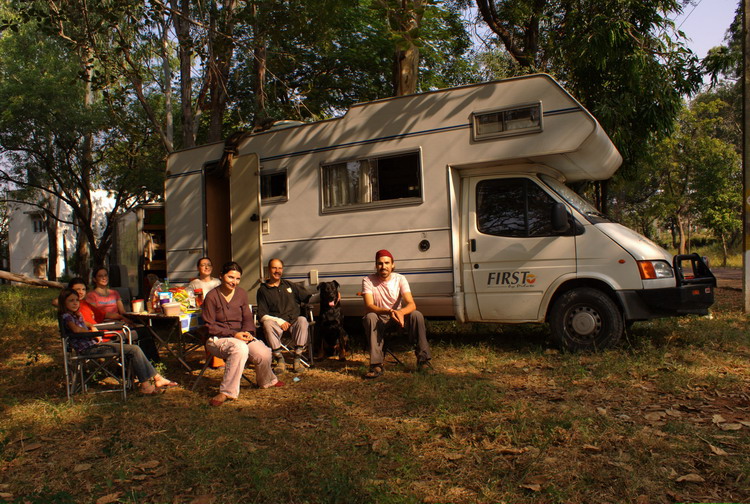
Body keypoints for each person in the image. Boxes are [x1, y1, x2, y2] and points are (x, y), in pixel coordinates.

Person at [58, 288, 178, 395]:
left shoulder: (75, 315)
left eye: (76, 300)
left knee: (134, 348)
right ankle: (147, 385)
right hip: (88, 350)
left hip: (94, 346)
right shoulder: (66, 316)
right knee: (133, 349)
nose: (75, 303)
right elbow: (76, 329)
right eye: (71, 301)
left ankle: (156, 378)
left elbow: (83, 324)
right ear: (64, 303)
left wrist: (91, 326)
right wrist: (95, 334)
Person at [202, 261, 282, 407]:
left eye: (237, 279)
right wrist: (234, 334)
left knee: (263, 352)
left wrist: (248, 332)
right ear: (221, 276)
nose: (234, 282)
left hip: (239, 336)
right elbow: (209, 326)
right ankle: (227, 392)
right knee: (240, 348)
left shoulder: (241, 294)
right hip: (217, 339)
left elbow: (247, 317)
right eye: (230, 277)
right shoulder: (211, 297)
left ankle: (266, 381)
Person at [361, 249, 432, 378]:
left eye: (387, 263)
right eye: (380, 263)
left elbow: (411, 303)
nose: (384, 267)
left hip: (398, 317)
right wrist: (388, 311)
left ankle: (423, 361)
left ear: (393, 264)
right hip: (379, 317)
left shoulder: (400, 279)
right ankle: (376, 365)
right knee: (370, 317)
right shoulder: (368, 280)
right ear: (376, 265)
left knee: (416, 315)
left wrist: (400, 312)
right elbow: (369, 306)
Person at [85, 266, 160, 362]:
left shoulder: (114, 293)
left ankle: (149, 362)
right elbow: (97, 315)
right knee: (143, 332)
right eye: (100, 276)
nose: (104, 278)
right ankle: (149, 364)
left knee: (148, 330)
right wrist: (120, 319)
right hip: (107, 327)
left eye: (105, 275)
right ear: (94, 279)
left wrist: (128, 320)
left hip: (120, 324)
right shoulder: (91, 296)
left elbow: (122, 312)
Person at [256, 258, 311, 374]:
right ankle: (279, 359)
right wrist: (279, 321)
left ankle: (297, 359)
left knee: (302, 320)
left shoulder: (289, 285)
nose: (277, 271)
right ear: (269, 270)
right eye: (274, 268)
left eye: (280, 268)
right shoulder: (263, 290)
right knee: (267, 323)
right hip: (276, 325)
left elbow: (309, 298)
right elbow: (262, 314)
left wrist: (332, 295)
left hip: (293, 322)